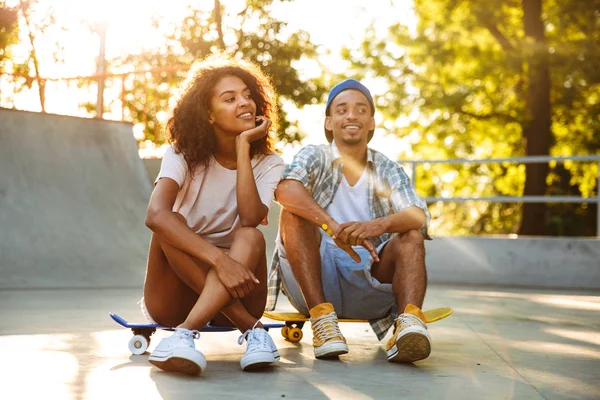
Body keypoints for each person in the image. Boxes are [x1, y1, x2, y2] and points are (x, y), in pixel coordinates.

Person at [267, 79, 433, 363]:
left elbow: (418, 214)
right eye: (342, 110)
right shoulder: (315, 155)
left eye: (361, 110)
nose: (352, 115)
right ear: (329, 122)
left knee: (412, 234)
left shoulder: (387, 168)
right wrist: (332, 226)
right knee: (294, 213)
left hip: (369, 281)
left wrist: (377, 225)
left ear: (371, 122)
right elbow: (285, 189)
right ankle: (322, 322)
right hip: (313, 281)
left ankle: (407, 327)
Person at [142, 54, 285, 376]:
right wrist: (222, 263)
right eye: (230, 98)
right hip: (173, 299)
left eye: (248, 95)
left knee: (250, 236)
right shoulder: (181, 155)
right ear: (208, 114)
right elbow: (155, 216)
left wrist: (243, 147)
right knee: (170, 223)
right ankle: (252, 330)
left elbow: (250, 218)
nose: (244, 103)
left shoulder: (270, 163)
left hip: (242, 287)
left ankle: (184, 335)